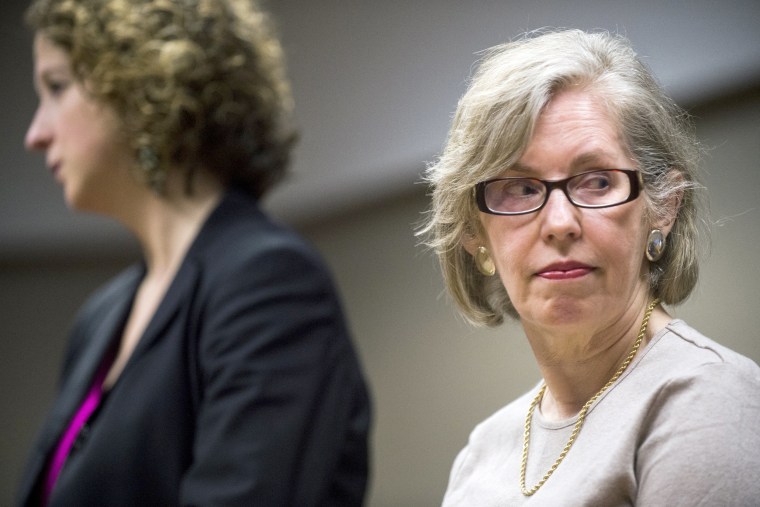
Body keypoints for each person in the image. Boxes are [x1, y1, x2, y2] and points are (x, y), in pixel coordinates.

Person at [17, 0, 371, 505]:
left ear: (141, 83)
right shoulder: (99, 318)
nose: (35, 134)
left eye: (56, 87)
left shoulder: (269, 283)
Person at [420, 29, 760, 505]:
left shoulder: (708, 398)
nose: (559, 224)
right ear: (475, 236)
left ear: (663, 207)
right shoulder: (483, 452)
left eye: (597, 181)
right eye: (518, 189)